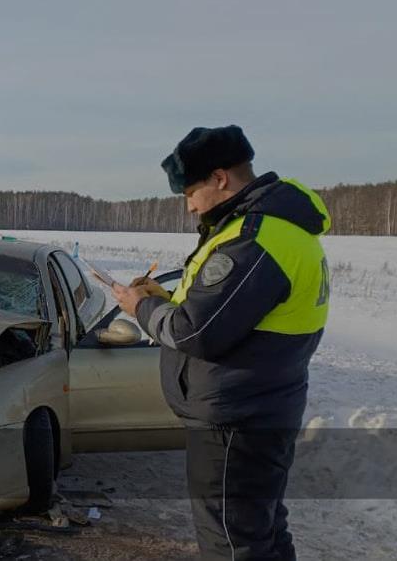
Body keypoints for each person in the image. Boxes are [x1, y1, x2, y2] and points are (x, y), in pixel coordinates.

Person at [111, 125, 331, 561]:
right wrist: (166, 299)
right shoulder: (277, 230)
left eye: (190, 192)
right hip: (262, 408)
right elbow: (228, 315)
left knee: (231, 544)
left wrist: (141, 307)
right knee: (263, 533)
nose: (190, 205)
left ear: (219, 178)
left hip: (235, 423)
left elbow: (195, 332)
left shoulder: (253, 240)